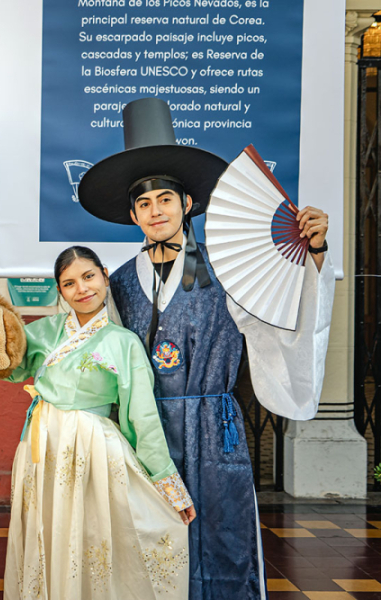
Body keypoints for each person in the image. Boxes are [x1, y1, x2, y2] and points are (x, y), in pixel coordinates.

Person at [77, 97, 334, 600]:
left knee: (223, 541)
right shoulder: (121, 283)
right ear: (132, 213)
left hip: (216, 434)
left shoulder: (230, 273)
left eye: (166, 200)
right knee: (150, 544)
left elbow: (286, 322)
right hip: (147, 435)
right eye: (145, 204)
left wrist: (316, 254)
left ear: (187, 204)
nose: (156, 212)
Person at [1, 246, 194, 600]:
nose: (82, 289)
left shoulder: (124, 343)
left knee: (90, 533)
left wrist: (166, 480)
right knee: (48, 532)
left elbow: (142, 414)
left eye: (89, 277)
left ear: (105, 276)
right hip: (40, 448)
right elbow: (9, 366)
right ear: (59, 291)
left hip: (92, 447)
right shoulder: (43, 333)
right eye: (69, 283)